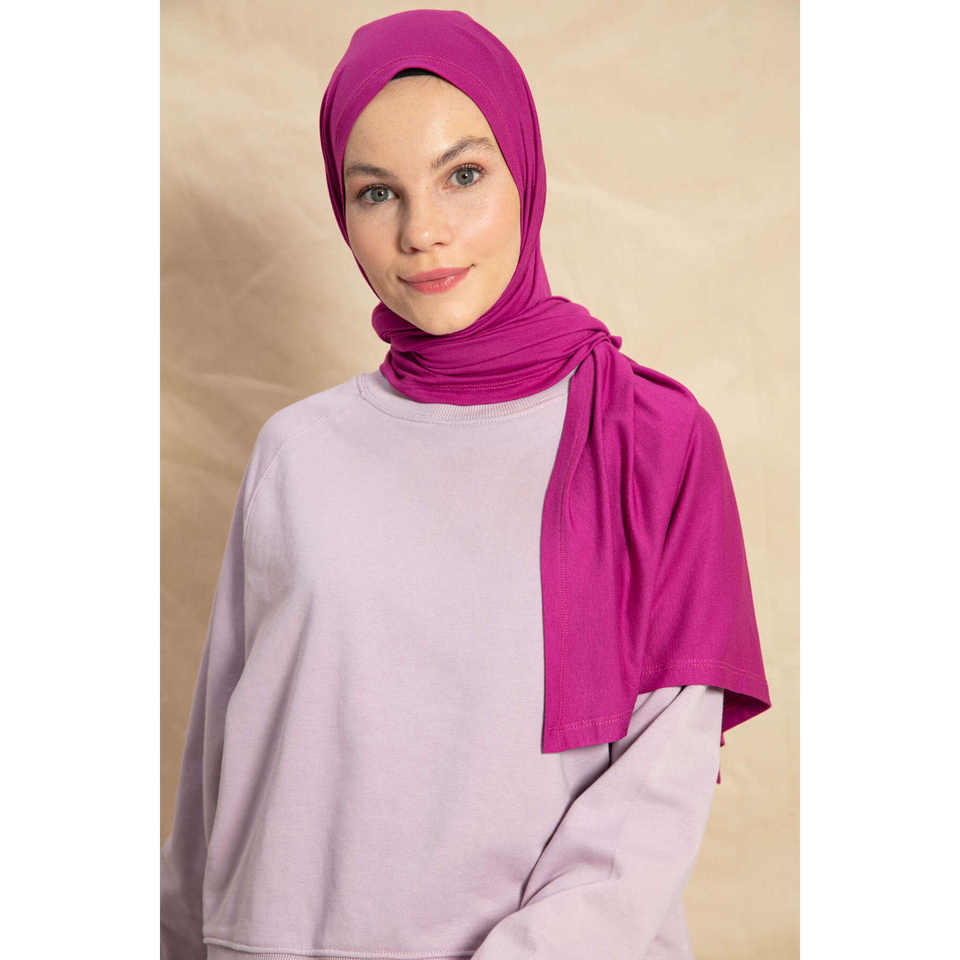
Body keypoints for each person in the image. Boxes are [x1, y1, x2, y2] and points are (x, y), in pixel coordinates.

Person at [161, 10, 771, 960]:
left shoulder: (651, 440)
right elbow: (221, 761)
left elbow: (658, 786)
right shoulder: (296, 452)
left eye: (464, 175)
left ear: (524, 172)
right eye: (377, 193)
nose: (423, 232)